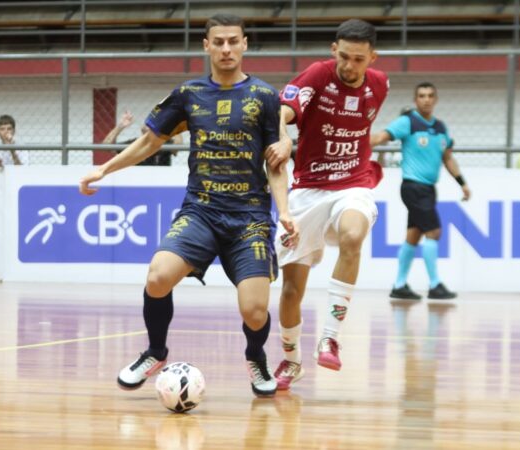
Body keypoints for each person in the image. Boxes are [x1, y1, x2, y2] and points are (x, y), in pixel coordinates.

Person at [79, 13, 298, 397]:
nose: (226, 48)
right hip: (201, 211)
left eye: (233, 41)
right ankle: (155, 351)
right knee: (158, 276)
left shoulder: (265, 96)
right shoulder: (189, 93)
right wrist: (105, 168)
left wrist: (285, 212)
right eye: (219, 42)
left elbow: (275, 163)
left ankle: (255, 356)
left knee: (255, 311)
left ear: (245, 44)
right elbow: (149, 141)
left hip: (249, 218)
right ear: (206, 46)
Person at [264, 18, 389, 390]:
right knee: (290, 290)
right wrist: (285, 137)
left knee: (353, 236)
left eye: (359, 59)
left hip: (354, 183)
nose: (350, 66)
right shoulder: (317, 75)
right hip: (309, 188)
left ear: (373, 58)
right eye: (345, 57)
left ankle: (330, 337)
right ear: (334, 50)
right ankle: (290, 360)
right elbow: (281, 109)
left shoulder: (379, 85)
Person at [372, 82, 470, 301]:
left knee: (413, 235)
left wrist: (462, 183)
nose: (426, 99)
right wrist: (355, 144)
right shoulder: (408, 122)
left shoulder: (441, 128)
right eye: (422, 96)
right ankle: (435, 285)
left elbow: (448, 158)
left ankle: (399, 285)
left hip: (427, 188)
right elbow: (380, 137)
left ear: (435, 99)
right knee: (434, 232)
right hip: (413, 187)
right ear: (416, 100)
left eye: (430, 95)